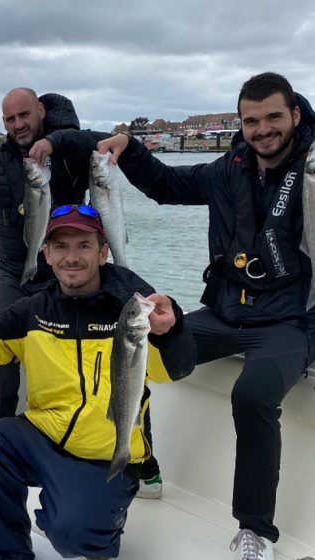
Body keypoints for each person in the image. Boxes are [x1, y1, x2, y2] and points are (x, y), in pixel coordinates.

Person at [96, 71, 315, 560]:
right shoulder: (227, 169)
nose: (263, 130)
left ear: (295, 115)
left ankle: (254, 531)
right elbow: (167, 186)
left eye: (274, 117)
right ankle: (143, 467)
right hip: (224, 312)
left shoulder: (313, 171)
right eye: (252, 120)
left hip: (288, 323)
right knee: (132, 346)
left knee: (253, 395)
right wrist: (129, 149)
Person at [0, 205, 196, 560]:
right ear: (47, 254)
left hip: (104, 453)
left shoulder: (129, 314)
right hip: (44, 434)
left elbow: (174, 370)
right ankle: (10, 553)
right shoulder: (32, 310)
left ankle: (85, 514)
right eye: (61, 246)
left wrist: (171, 330)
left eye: (84, 245)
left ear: (103, 252)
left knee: (77, 539)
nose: (72, 257)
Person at [0, 87, 165, 499]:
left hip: (66, 273)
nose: (18, 125)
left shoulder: (70, 150)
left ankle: (143, 458)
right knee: (1, 350)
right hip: (14, 274)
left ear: (41, 112)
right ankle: (6, 430)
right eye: (10, 119)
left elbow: (95, 144)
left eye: (25, 116)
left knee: (122, 360)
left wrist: (55, 142)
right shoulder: (1, 159)